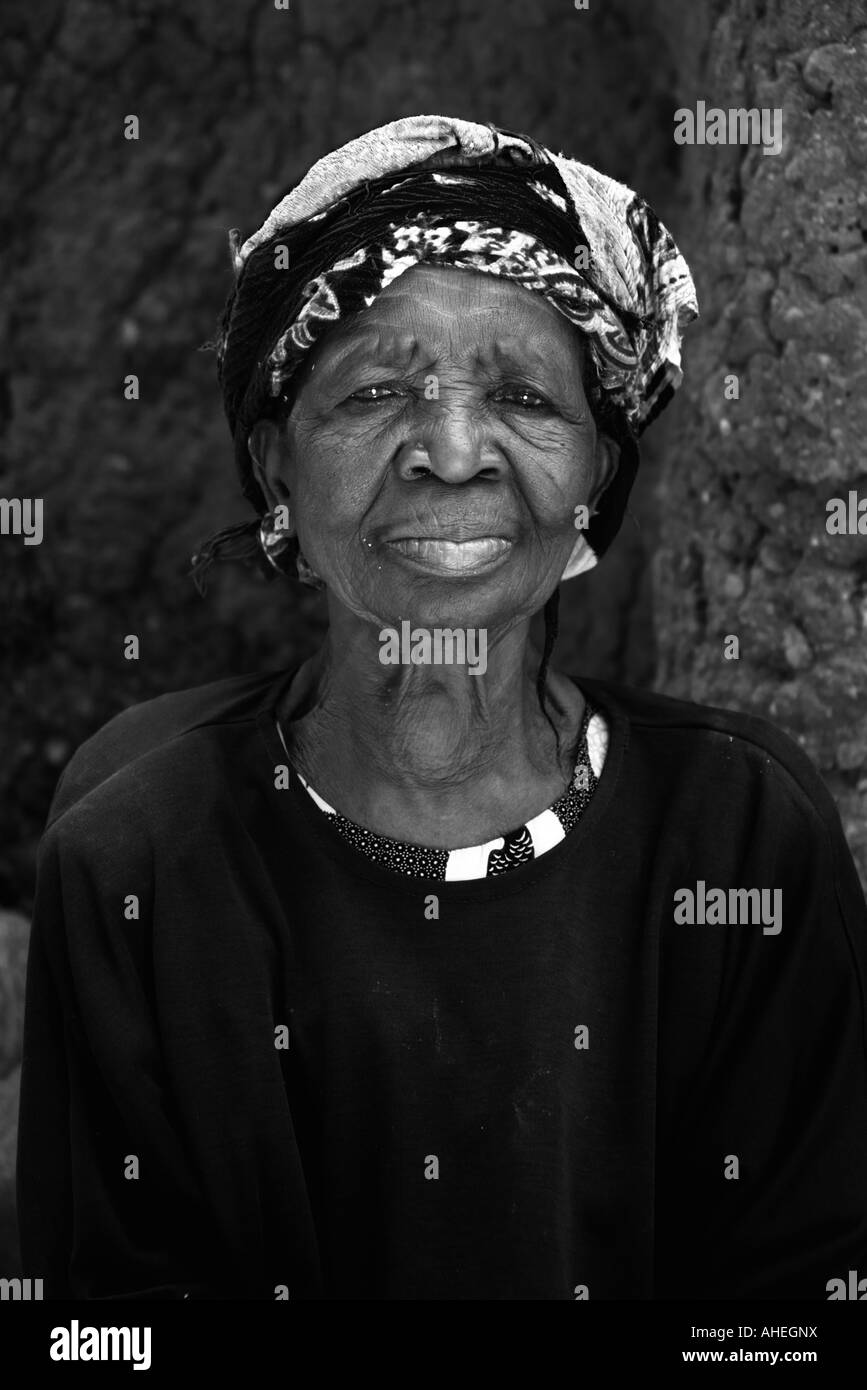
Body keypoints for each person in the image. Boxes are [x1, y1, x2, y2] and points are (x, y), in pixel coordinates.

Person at [17, 115, 867, 1300]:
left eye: (522, 394)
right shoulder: (134, 853)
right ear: (276, 468)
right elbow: (101, 1329)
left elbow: (800, 1315)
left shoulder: (740, 836)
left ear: (596, 478)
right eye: (373, 392)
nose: (453, 452)